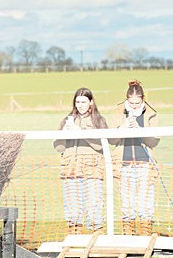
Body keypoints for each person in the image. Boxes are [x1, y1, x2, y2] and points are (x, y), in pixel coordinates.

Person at [53, 87, 109, 235]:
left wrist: (82, 133)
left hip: (92, 171)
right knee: (72, 211)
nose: (80, 105)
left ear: (91, 102)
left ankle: (97, 240)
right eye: (77, 102)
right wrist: (63, 135)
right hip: (70, 170)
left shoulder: (98, 120)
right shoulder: (66, 120)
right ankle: (74, 241)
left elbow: (101, 145)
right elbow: (58, 147)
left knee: (93, 208)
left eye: (83, 101)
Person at [112, 80, 159, 235]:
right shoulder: (118, 112)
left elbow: (154, 141)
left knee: (145, 204)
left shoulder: (151, 113)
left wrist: (140, 131)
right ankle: (128, 236)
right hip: (124, 165)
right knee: (127, 204)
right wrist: (123, 128)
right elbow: (112, 140)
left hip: (145, 164)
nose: (133, 106)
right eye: (131, 103)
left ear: (143, 99)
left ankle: (145, 236)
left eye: (137, 103)